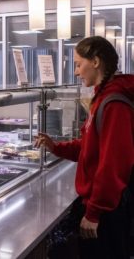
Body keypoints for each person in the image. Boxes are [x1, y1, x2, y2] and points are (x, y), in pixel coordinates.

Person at [35, 36, 134, 259]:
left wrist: (94, 212)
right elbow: (90, 147)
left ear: (96, 62)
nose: (76, 72)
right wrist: (56, 147)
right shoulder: (101, 98)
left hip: (109, 211)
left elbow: (113, 165)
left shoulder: (114, 104)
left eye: (79, 64)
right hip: (101, 207)